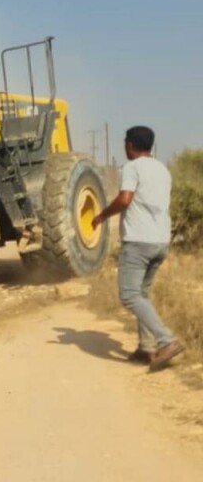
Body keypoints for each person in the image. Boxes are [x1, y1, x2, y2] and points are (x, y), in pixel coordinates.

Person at [91, 126, 183, 371]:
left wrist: (101, 216)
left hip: (139, 241)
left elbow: (124, 199)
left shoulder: (132, 168)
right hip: (160, 241)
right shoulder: (162, 169)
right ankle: (146, 347)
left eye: (125, 143)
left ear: (130, 145)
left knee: (129, 295)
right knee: (141, 293)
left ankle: (166, 340)